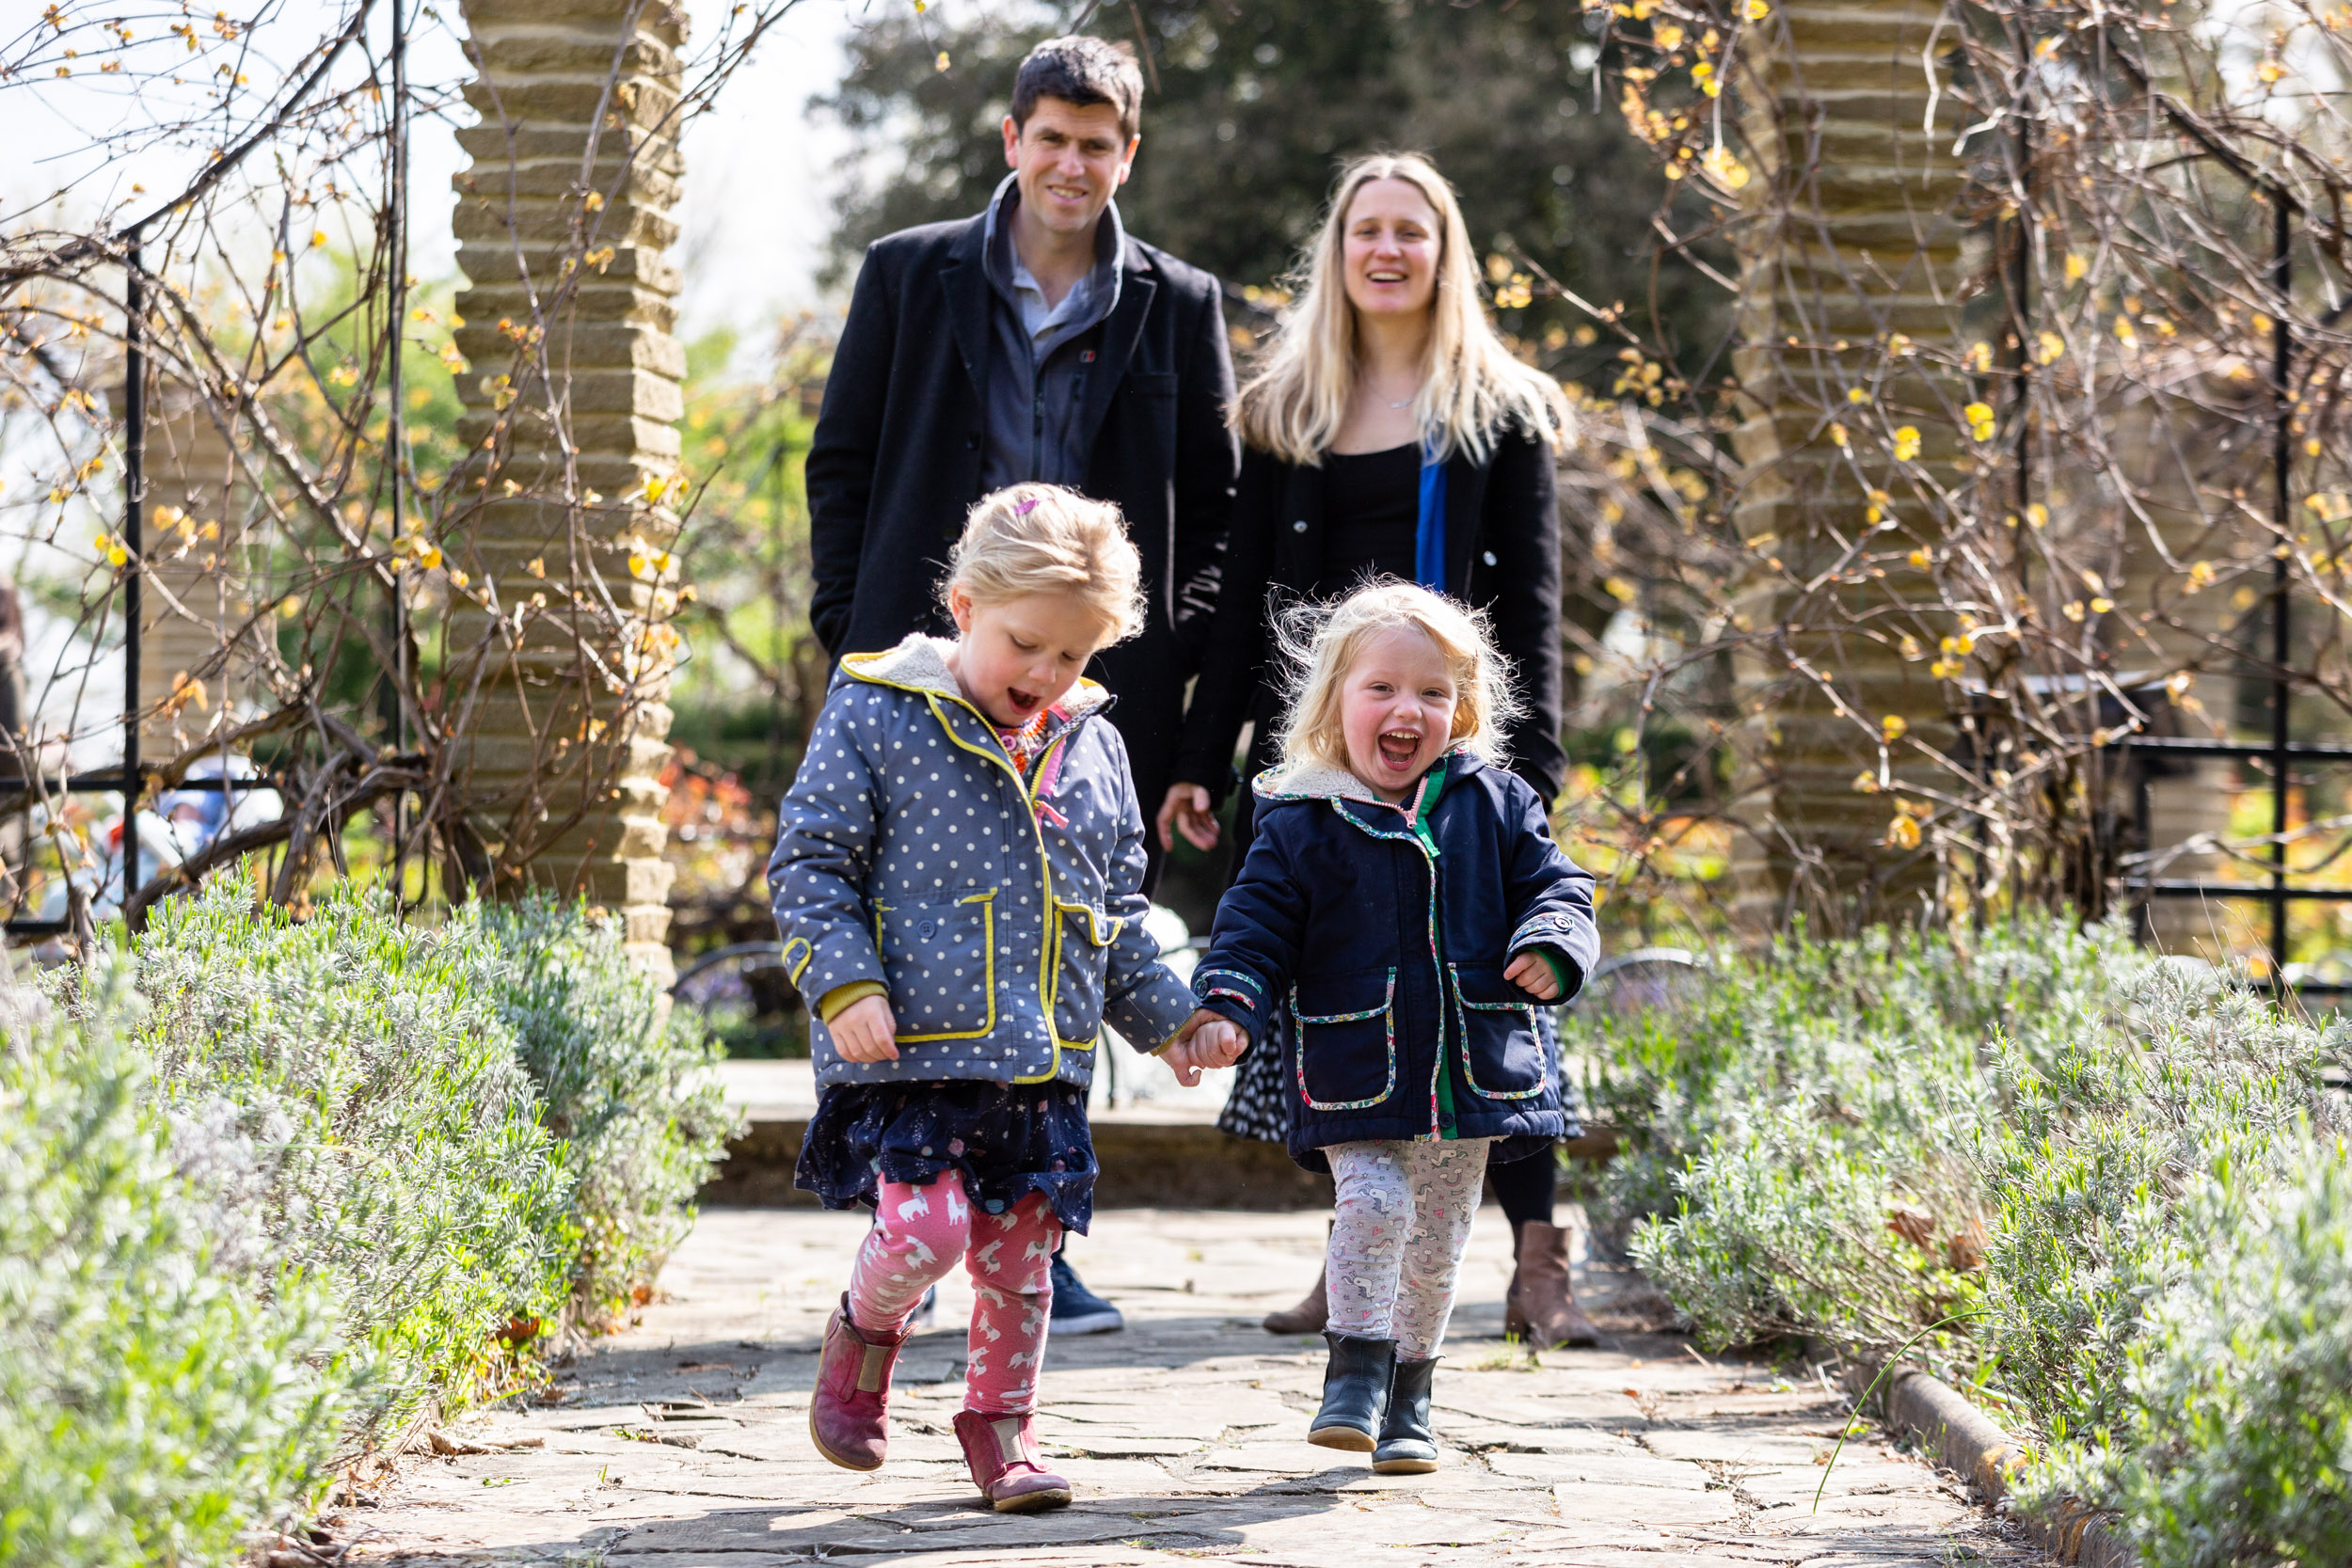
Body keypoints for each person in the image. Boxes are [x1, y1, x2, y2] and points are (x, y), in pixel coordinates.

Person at [806, 34, 1239, 1337]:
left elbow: (1213, 513)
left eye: (1097, 144)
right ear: (1012, 139)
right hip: (937, 670)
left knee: (1075, 934)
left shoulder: (1180, 300)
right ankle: (913, 1192)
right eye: (1049, 137)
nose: (1071, 163)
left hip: (1090, 692)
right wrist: (852, 630)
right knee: (916, 915)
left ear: (1129, 153)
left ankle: (1033, 1223)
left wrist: (1166, 680)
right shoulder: (910, 272)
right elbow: (845, 457)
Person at [1154, 151, 1597, 1347]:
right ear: (1336, 256)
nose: (1388, 250)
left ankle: (1538, 1259)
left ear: (1445, 255)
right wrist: (1205, 754)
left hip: (1458, 756)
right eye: (1366, 232)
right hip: (1322, 758)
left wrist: (1532, 765)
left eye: (1412, 231)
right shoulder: (1285, 410)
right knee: (1329, 1001)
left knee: (1498, 1006)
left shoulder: (1500, 413)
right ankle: (1360, 1251)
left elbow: (1536, 607)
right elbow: (1244, 597)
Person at [768, 485, 1244, 1513]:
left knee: (1023, 1263)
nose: (1045, 674)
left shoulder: (1096, 747)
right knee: (926, 1232)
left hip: (1040, 1064)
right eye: (1026, 643)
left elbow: (1112, 912)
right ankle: (864, 1339)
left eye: (1072, 656)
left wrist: (1176, 1021)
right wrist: (844, 982)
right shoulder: (877, 709)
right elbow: (810, 865)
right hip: (912, 1051)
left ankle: (1002, 1426)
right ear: (964, 603)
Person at [1173, 582, 1597, 1472]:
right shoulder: (1299, 820)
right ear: (1335, 702)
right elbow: (1252, 926)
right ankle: (1354, 1372)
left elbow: (1559, 887)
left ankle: (1413, 1393)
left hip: (1472, 1072)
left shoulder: (1499, 802)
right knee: (1374, 1201)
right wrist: (1228, 1005)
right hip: (1358, 1063)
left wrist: (1554, 943)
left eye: (1434, 693)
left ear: (1463, 709)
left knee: (1439, 1244)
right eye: (1383, 689)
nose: (1408, 709)